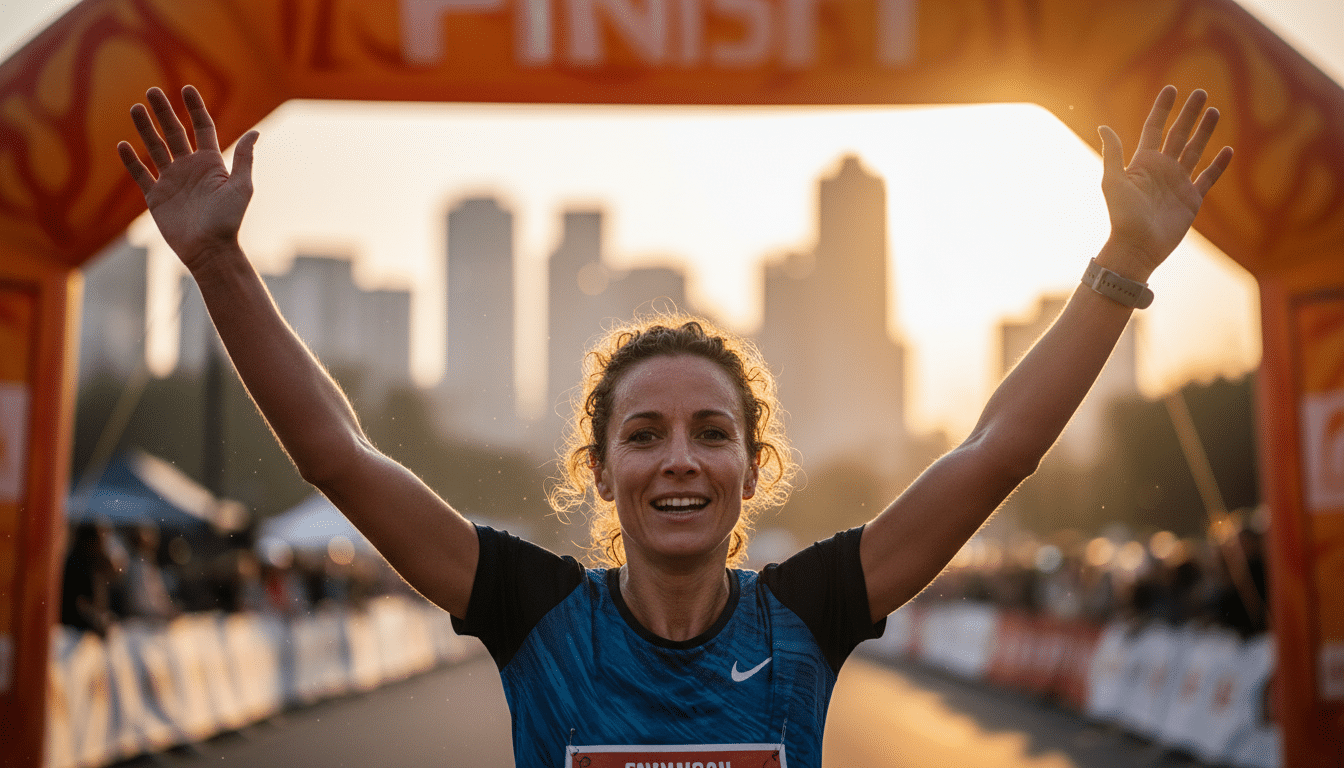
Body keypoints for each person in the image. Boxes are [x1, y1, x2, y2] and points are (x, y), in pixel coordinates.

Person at [117, 83, 1232, 766]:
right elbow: (336, 456)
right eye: (642, 435)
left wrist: (1122, 267)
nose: (680, 458)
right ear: (599, 471)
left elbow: (999, 451)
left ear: (755, 465)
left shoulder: (813, 608)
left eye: (711, 430)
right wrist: (217, 263)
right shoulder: (530, 610)